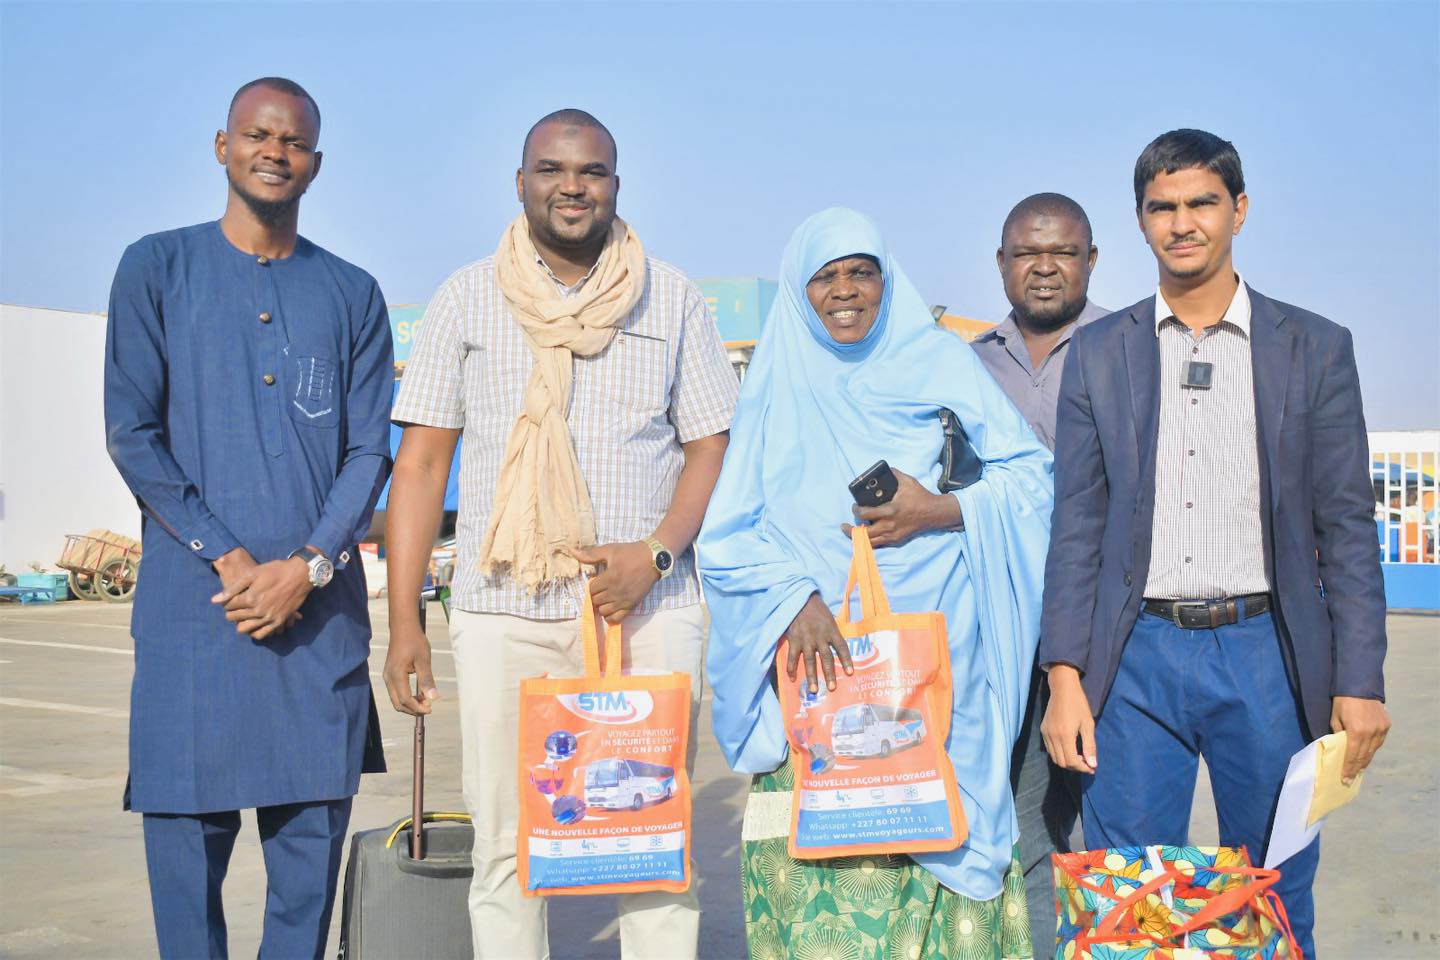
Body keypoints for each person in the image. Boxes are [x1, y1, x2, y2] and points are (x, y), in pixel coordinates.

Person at [382, 108, 737, 960]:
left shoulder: (673, 296)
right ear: (521, 182)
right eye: (551, 169)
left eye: (592, 172)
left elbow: (709, 445)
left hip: (647, 612)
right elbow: (423, 464)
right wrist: (404, 622)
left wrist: (654, 556)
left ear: (616, 184)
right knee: (507, 846)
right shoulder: (466, 297)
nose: (571, 186)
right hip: (506, 607)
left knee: (651, 840)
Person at [1039, 129, 1391, 957]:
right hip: (1134, 662)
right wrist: (1064, 677)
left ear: (1239, 210)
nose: (1182, 223)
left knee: (1271, 885)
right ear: (1141, 221)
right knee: (1126, 898)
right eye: (1163, 207)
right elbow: (1077, 527)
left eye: (1201, 203)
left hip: (1266, 653)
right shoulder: (1098, 352)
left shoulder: (1314, 348)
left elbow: (1346, 524)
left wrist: (1360, 678)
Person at [700, 208, 1054, 960]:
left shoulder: (938, 360)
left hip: (937, 644)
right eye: (824, 276)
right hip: (815, 657)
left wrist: (943, 509)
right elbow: (728, 534)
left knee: (937, 829)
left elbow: (1032, 478)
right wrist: (792, 596)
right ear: (800, 292)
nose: (845, 290)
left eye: (861, 271)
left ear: (887, 282)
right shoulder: (774, 379)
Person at [104, 77, 393, 959]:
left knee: (309, 870)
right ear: (221, 146)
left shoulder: (350, 292)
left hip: (317, 628)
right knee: (186, 868)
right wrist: (230, 559)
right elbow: (134, 434)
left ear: (316, 162)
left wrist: (303, 567)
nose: (276, 151)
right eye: (257, 134)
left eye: (295, 141)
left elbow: (367, 452)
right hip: (198, 621)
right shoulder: (157, 267)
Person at [970, 192, 1108, 950]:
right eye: (1027, 253)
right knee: (1022, 814)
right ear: (1002, 264)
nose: (1045, 267)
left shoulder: (1128, 346)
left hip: (1105, 621)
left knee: (1106, 814)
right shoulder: (964, 364)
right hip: (1002, 622)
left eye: (1062, 252)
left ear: (1091, 260)